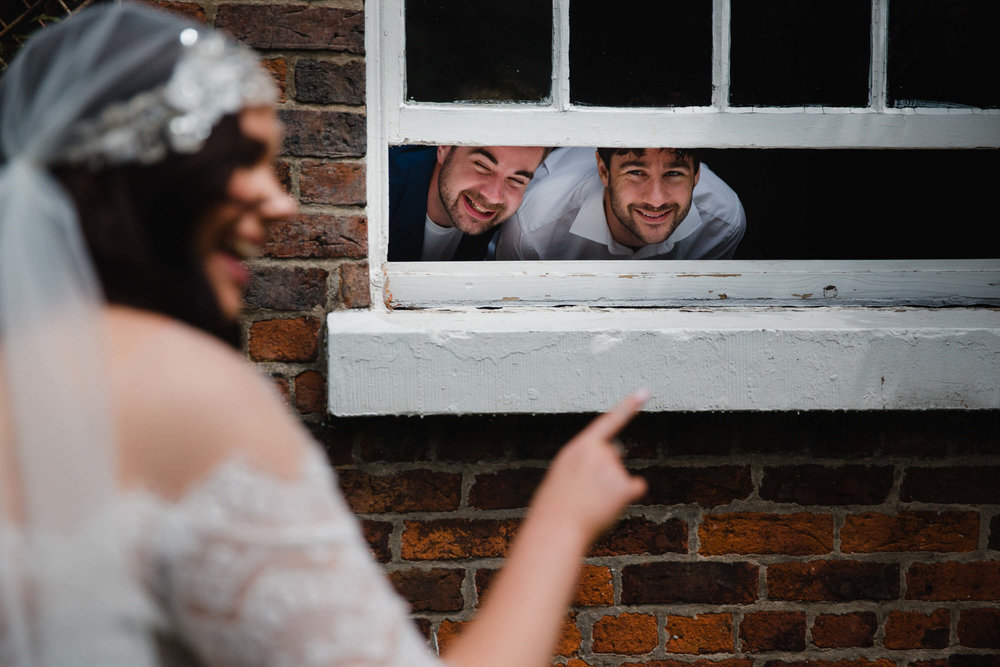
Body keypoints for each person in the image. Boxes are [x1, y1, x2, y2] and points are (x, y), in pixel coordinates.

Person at [0, 4, 648, 666]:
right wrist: (564, 518)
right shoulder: (191, 390)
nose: (281, 202)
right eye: (244, 161)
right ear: (155, 180)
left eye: (518, 178)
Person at [494, 146, 746, 260]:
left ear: (697, 174)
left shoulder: (722, 221)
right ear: (604, 171)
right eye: (636, 173)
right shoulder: (533, 227)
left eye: (673, 174)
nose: (656, 199)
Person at [388, 144, 549, 261]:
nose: (494, 196)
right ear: (444, 148)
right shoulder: (378, 195)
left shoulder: (510, 226)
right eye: (482, 165)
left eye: (516, 180)